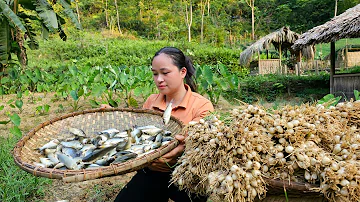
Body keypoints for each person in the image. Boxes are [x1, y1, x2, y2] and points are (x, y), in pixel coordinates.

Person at [103, 47, 214, 202]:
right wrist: (114, 117)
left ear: (182, 72)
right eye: (155, 74)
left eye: (165, 73)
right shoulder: (151, 101)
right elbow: (137, 132)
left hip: (185, 174)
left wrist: (178, 151)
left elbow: (202, 144)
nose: (159, 79)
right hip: (151, 172)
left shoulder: (202, 105)